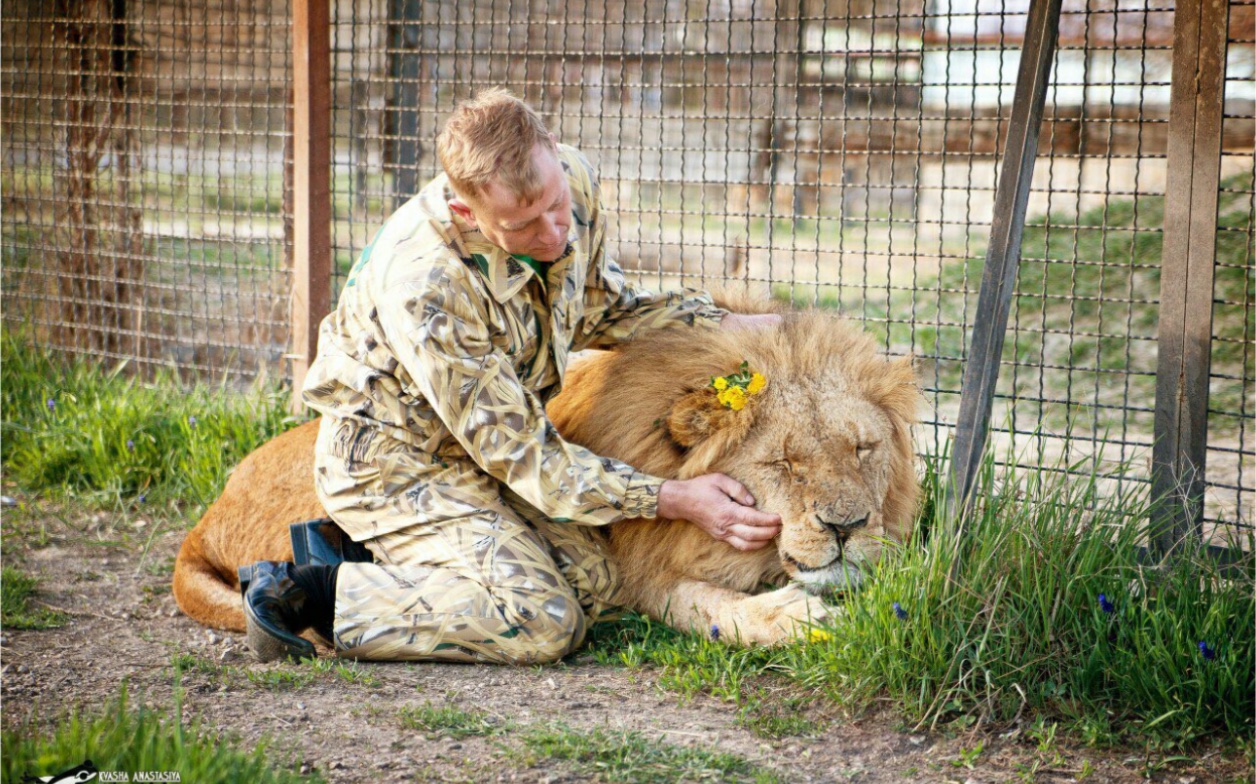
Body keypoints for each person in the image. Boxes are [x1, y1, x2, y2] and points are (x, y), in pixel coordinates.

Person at [240, 88, 782, 665]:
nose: (552, 234)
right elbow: (524, 456)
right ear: (465, 213)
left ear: (554, 151)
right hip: (395, 464)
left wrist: (722, 323)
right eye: (522, 225)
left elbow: (601, 307)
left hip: (485, 444)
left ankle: (403, 562)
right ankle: (312, 589)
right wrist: (671, 497)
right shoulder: (427, 287)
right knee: (541, 619)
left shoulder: (572, 177)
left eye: (555, 204)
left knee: (603, 584)